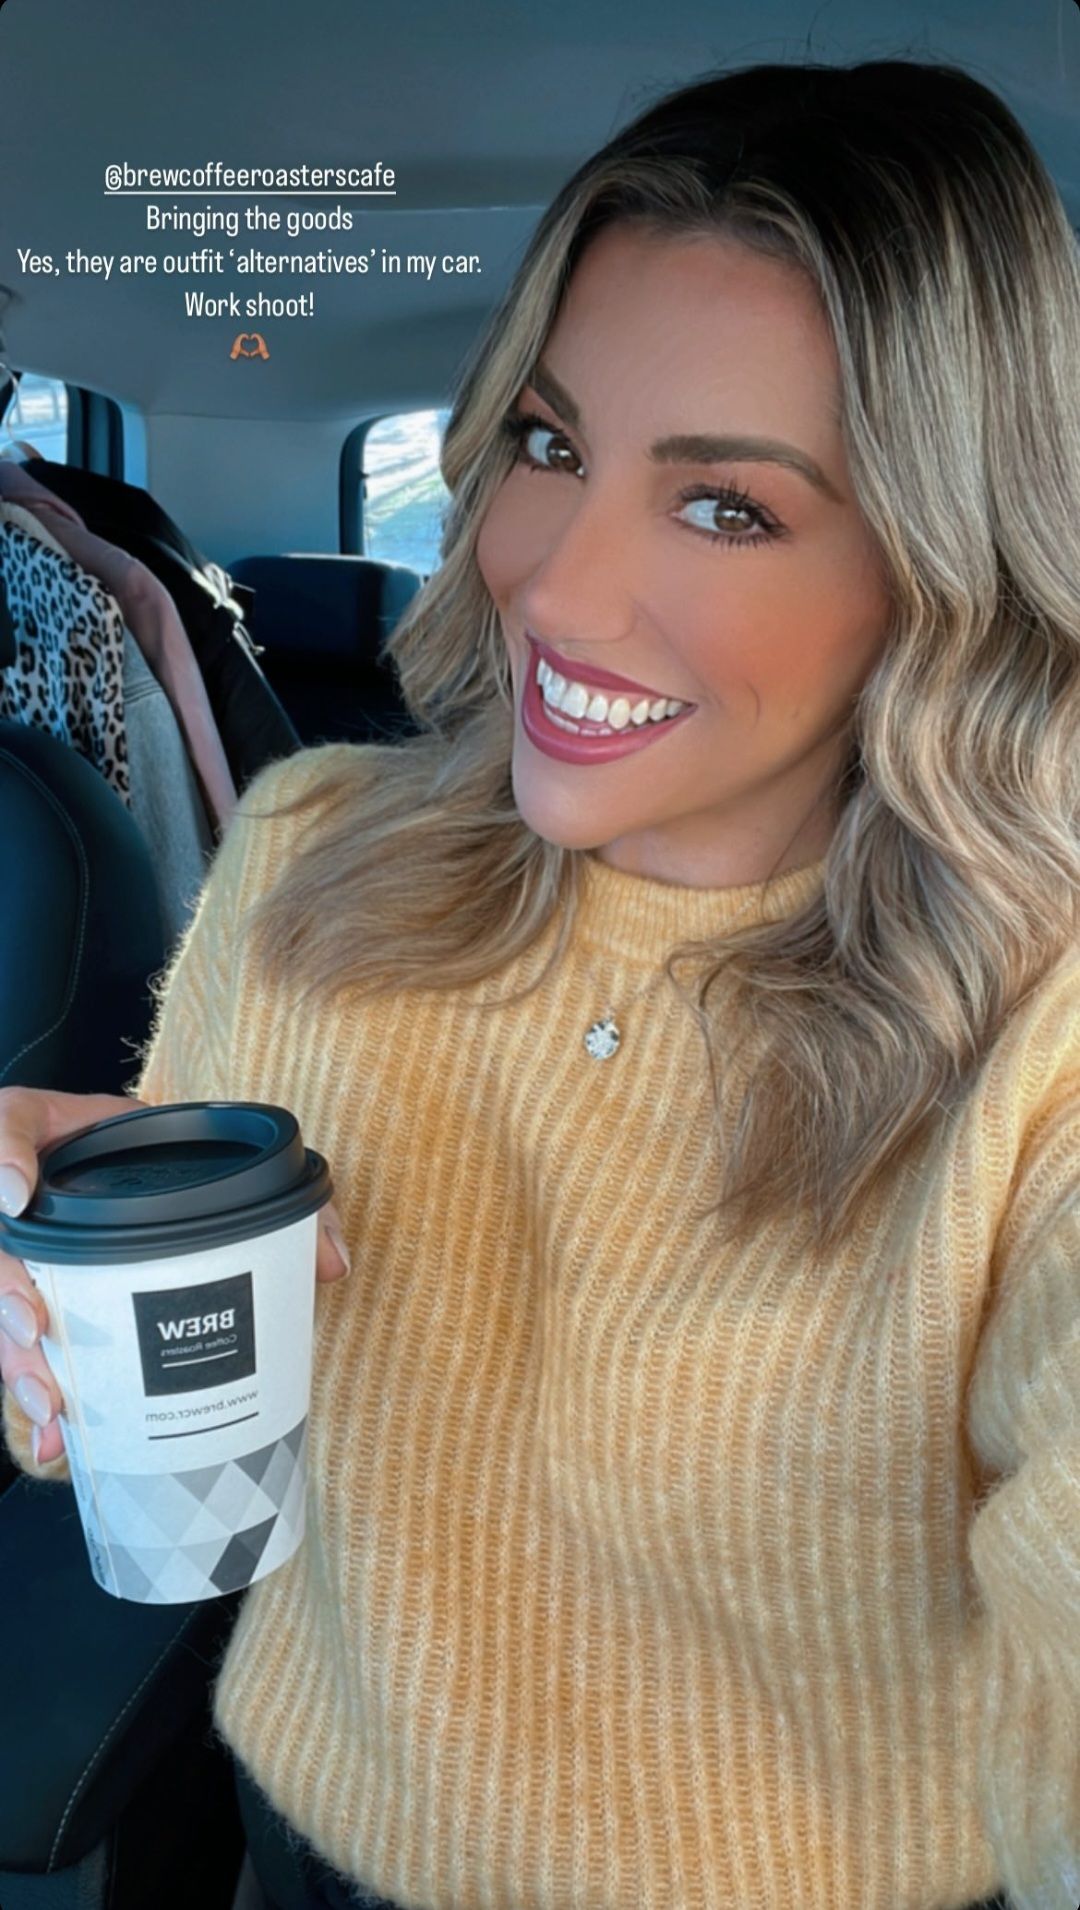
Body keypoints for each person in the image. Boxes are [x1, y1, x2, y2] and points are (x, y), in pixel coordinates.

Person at [2, 52, 1077, 1910]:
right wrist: (47, 1288)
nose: (555, 587)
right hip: (301, 1846)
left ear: (941, 575)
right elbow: (131, 1408)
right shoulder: (311, 853)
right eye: (551, 446)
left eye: (725, 507)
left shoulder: (1044, 1036)